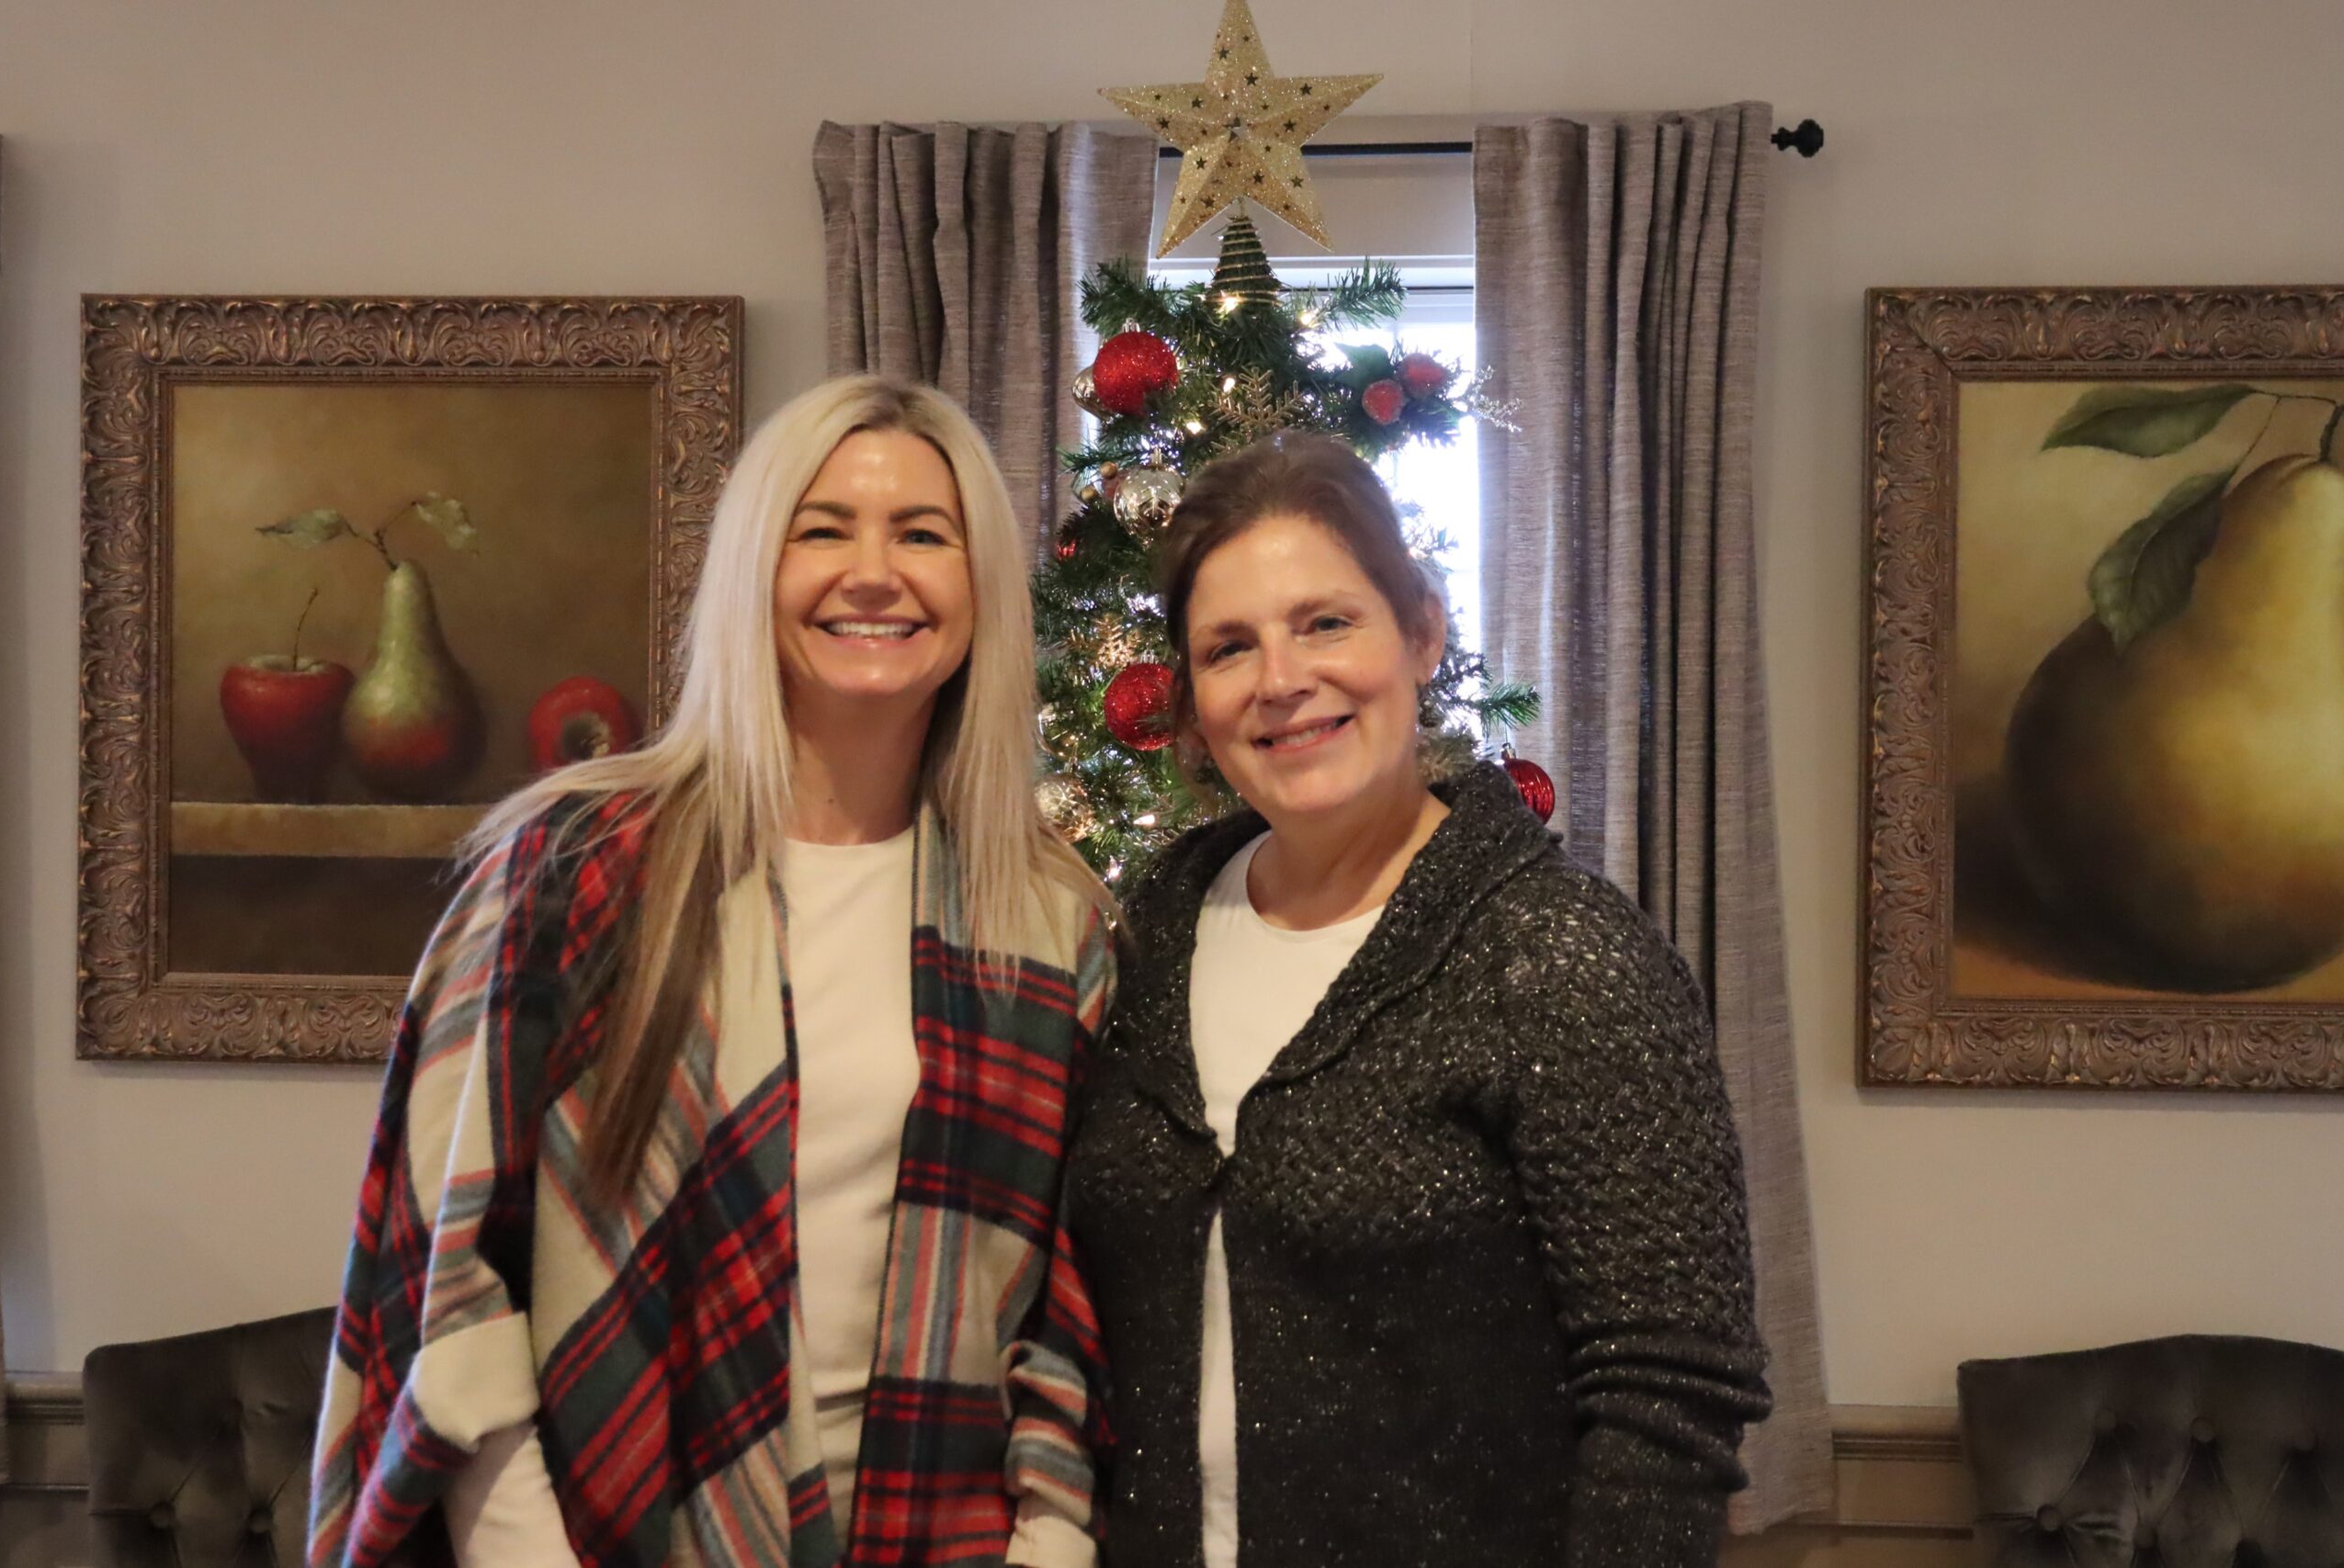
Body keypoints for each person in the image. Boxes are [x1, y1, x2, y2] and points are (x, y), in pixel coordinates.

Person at [311, 376, 1115, 1568]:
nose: (875, 572)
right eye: (824, 527)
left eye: (924, 534)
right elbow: (453, 1273)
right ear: (755, 568)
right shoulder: (573, 869)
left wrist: (1050, 1543)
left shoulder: (1051, 920)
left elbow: (1065, 1303)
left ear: (981, 585)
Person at [1064, 432, 1770, 1568]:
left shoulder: (1554, 955)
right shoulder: (1147, 939)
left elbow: (1671, 1396)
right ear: (1193, 707)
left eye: (1326, 622)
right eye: (1229, 648)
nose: (1282, 679)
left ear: (1421, 633)